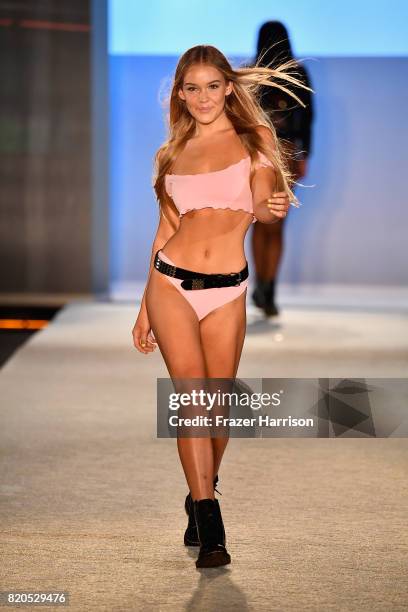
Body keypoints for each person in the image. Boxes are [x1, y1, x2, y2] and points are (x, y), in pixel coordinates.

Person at [131, 44, 311, 568]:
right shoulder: (172, 152)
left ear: (229, 88)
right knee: (190, 401)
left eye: (213, 85)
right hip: (170, 285)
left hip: (227, 289)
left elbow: (260, 201)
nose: (203, 96)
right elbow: (164, 230)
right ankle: (210, 522)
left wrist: (271, 207)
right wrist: (145, 306)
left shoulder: (254, 140)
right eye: (192, 88)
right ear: (180, 95)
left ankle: (198, 490)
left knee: (217, 406)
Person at [251, 22, 314, 316]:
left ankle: (263, 289)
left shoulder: (252, 73)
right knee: (275, 226)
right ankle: (268, 289)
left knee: (260, 223)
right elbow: (308, 120)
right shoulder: (298, 73)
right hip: (285, 155)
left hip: (257, 156)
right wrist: (303, 156)